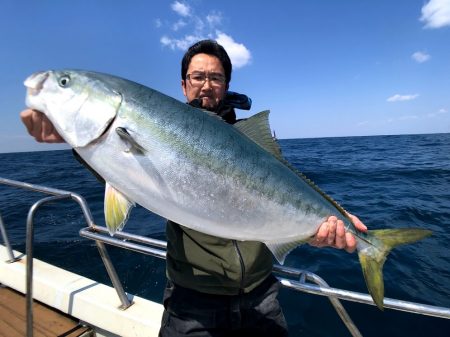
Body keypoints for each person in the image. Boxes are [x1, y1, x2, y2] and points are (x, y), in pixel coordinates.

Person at [20, 40, 367, 337]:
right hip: (193, 302)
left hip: (263, 297)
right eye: (197, 77)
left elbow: (282, 198)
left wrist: (328, 222)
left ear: (226, 84)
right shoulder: (144, 129)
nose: (206, 85)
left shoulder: (254, 139)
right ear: (184, 85)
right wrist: (71, 138)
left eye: (215, 77)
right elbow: (123, 169)